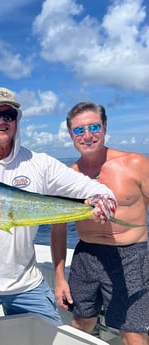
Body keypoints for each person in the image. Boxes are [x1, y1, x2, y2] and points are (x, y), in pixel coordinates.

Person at [0, 88, 118, 345]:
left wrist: (104, 199)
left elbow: (92, 188)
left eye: (8, 115)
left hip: (26, 284)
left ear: (17, 120)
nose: (1, 121)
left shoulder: (40, 164)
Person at [51, 101, 149, 345]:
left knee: (133, 333)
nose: (87, 135)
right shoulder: (68, 177)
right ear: (70, 134)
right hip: (87, 255)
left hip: (131, 256)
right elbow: (58, 230)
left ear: (105, 127)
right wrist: (60, 278)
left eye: (94, 127)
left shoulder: (134, 163)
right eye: (79, 130)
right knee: (80, 323)